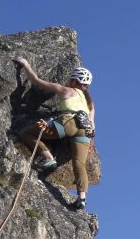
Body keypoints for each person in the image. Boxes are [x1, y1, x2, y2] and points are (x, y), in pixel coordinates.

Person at [12, 57, 96, 211]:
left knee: (26, 132)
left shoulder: (66, 90)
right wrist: (90, 143)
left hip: (68, 124)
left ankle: (48, 157)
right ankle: (82, 198)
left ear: (74, 81)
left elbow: (36, 81)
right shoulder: (90, 103)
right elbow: (92, 124)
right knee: (79, 163)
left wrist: (26, 65)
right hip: (85, 130)